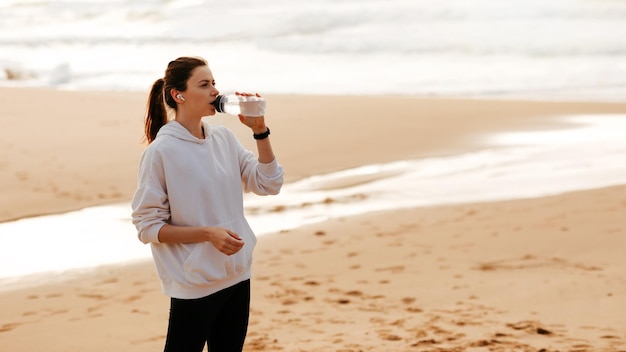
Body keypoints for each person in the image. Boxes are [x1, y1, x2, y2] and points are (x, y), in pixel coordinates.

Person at [131, 56, 284, 352]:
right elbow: (147, 227)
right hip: (196, 282)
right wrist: (207, 233)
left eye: (214, 83)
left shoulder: (223, 138)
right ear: (179, 95)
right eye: (204, 84)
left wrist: (260, 130)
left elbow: (269, 183)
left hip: (237, 274)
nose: (215, 91)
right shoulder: (162, 152)